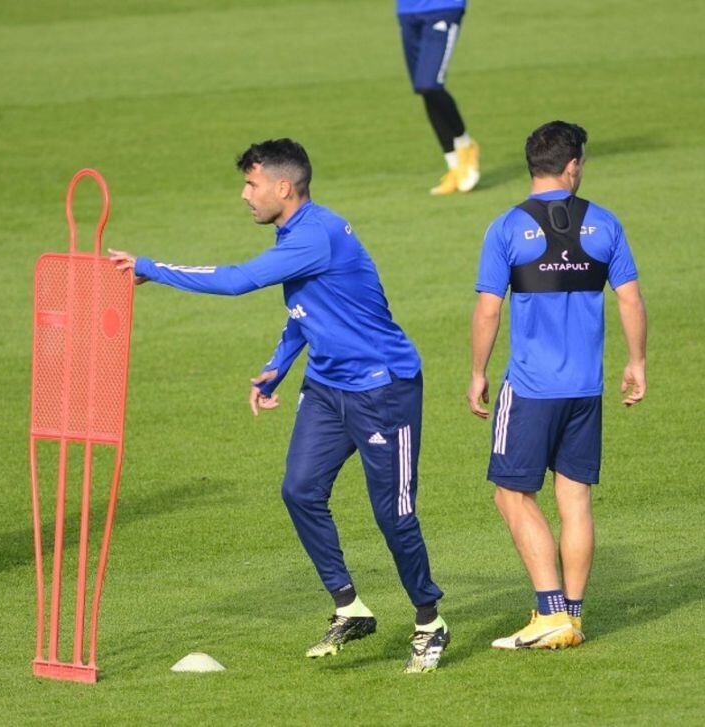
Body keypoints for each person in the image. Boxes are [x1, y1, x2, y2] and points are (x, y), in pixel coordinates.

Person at [110, 139, 448, 673]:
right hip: (327, 386)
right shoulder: (297, 233)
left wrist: (150, 267)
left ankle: (429, 622)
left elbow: (238, 281)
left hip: (383, 389)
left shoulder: (316, 234)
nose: (245, 195)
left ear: (283, 187)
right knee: (300, 490)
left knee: (394, 514)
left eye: (252, 183)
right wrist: (280, 364)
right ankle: (349, 606)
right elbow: (304, 307)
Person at [468, 120, 647, 649]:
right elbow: (630, 300)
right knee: (575, 499)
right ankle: (571, 617)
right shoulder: (606, 223)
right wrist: (636, 361)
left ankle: (549, 612)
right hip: (585, 389)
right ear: (572, 166)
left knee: (511, 494)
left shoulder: (505, 228)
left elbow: (487, 310)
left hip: (529, 389)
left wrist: (477, 372)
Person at [396, 0, 479, 195]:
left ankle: (466, 145)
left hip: (443, 8)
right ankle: (454, 166)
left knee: (429, 83)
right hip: (407, 10)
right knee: (424, 89)